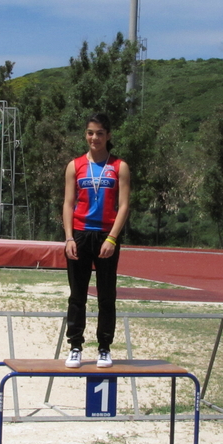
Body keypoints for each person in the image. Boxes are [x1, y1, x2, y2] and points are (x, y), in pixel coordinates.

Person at [62, 113, 131, 369]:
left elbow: (123, 205)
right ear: (85, 134)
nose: (95, 138)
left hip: (106, 237)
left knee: (106, 295)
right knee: (77, 295)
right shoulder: (75, 165)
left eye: (100, 133)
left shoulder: (119, 166)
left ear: (108, 135)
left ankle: (104, 347)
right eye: (91, 133)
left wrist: (112, 238)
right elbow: (68, 203)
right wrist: (69, 237)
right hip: (79, 234)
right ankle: (75, 346)